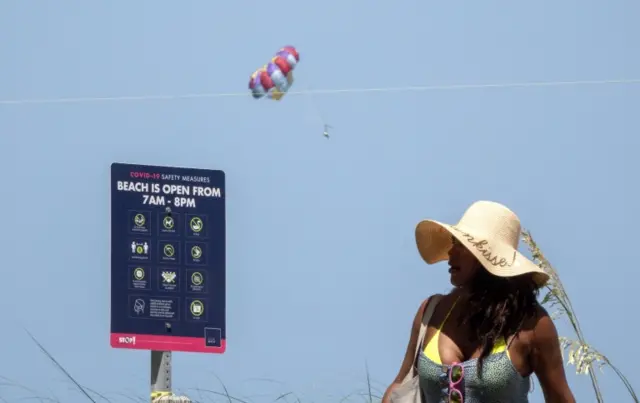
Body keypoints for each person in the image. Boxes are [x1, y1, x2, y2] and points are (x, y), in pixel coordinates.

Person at [382, 201, 575, 403]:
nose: (451, 252)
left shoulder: (532, 325)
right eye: (453, 242)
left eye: (462, 245)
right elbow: (400, 384)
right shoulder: (431, 311)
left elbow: (559, 398)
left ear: (488, 258)